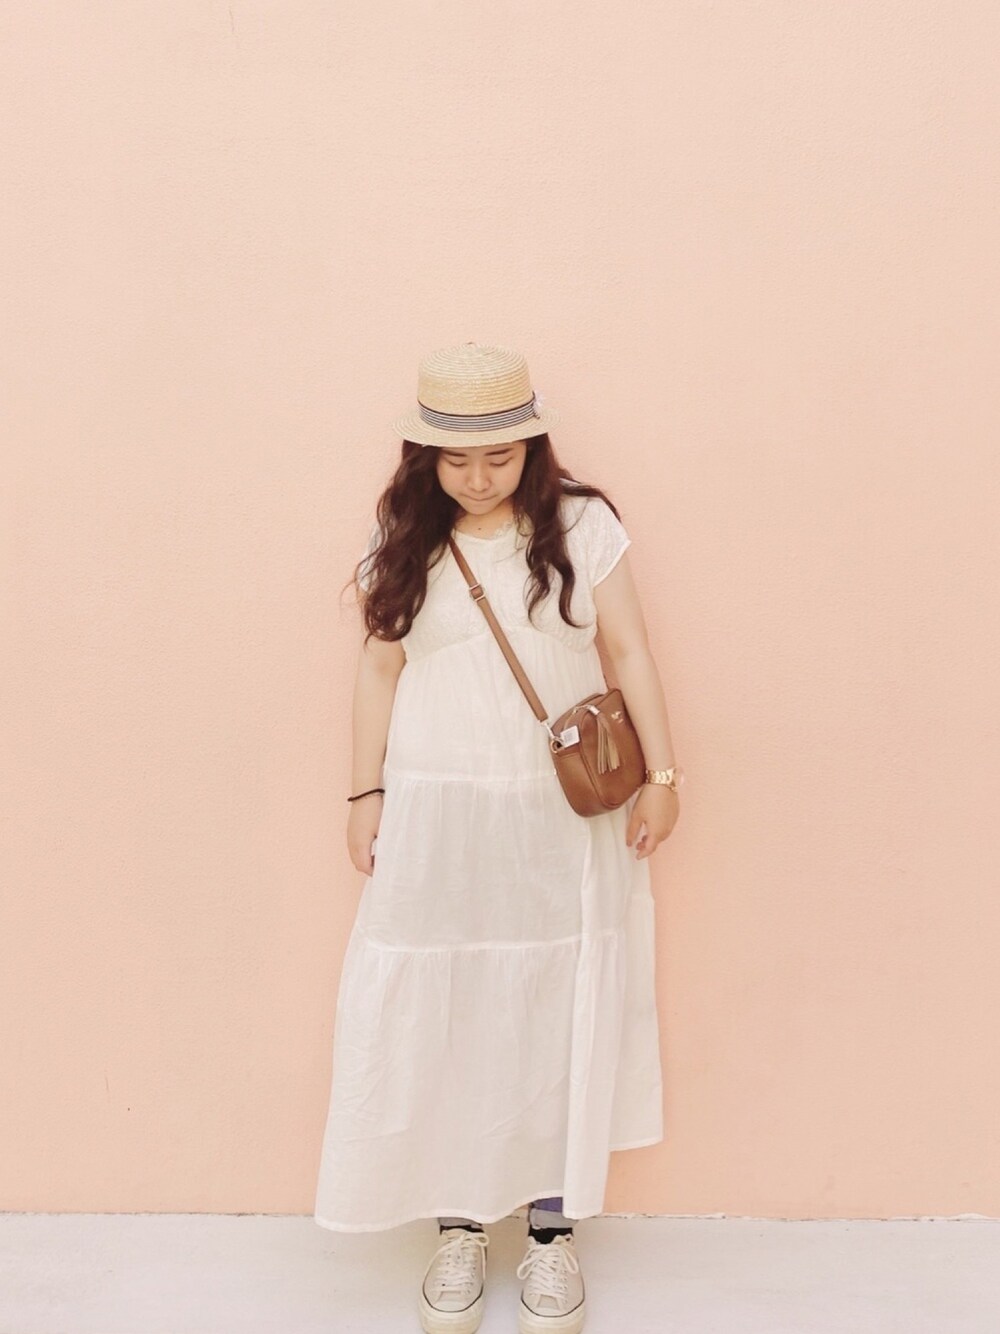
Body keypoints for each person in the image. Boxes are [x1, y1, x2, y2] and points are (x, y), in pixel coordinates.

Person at [313, 342, 683, 1334]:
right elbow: (379, 668)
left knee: (559, 1003)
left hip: (558, 816)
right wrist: (364, 791)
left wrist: (662, 776)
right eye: (457, 460)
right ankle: (462, 1226)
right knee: (452, 1009)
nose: (479, 478)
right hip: (439, 816)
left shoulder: (582, 525)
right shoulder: (404, 533)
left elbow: (629, 648)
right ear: (425, 456)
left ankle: (552, 1235)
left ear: (532, 447)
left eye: (500, 457)